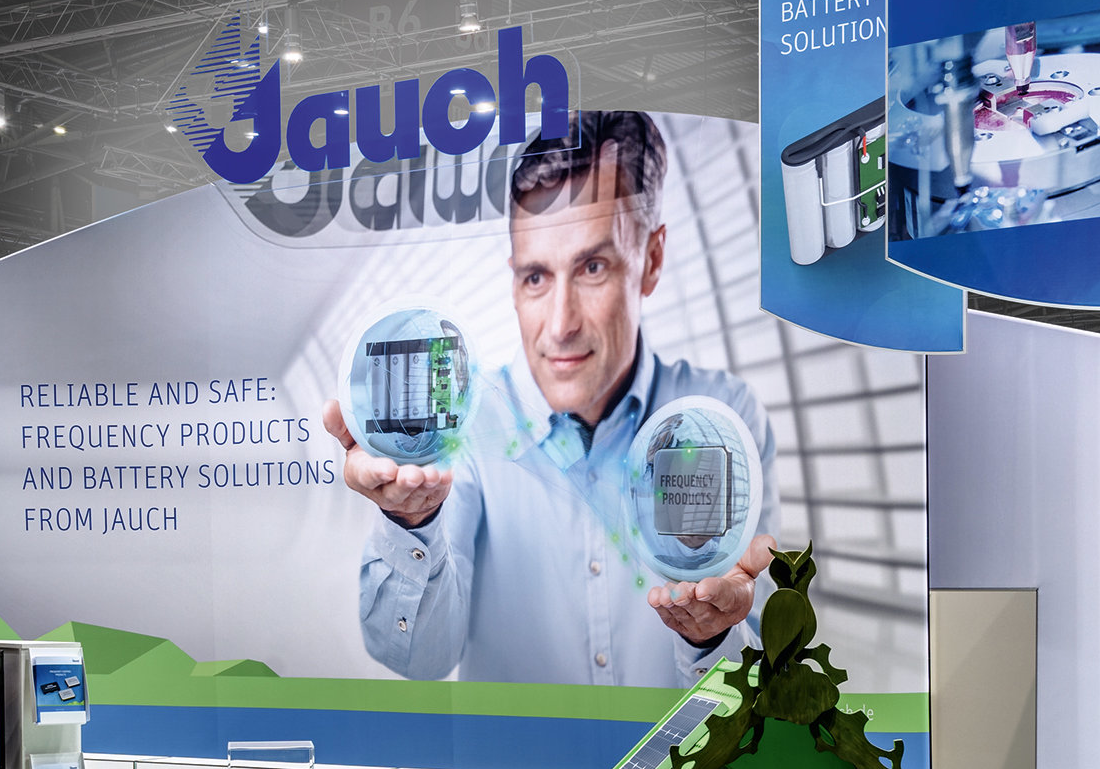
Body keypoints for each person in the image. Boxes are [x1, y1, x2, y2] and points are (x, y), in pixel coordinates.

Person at [327, 112, 779, 688]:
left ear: (652, 259)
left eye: (592, 267)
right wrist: (410, 521)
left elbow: (759, 684)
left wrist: (711, 637)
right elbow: (418, 659)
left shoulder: (725, 419)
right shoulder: (464, 428)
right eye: (536, 277)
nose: (560, 325)